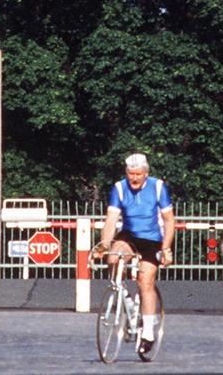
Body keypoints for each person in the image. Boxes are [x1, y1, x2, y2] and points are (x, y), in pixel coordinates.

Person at [93, 152, 175, 358]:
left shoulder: (158, 187)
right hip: (129, 235)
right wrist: (103, 245)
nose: (134, 178)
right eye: (131, 174)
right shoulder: (119, 188)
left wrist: (166, 248)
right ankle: (126, 301)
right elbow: (111, 220)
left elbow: (169, 221)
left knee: (145, 280)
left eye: (138, 174)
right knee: (113, 257)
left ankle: (147, 332)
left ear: (146, 174)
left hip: (152, 238)